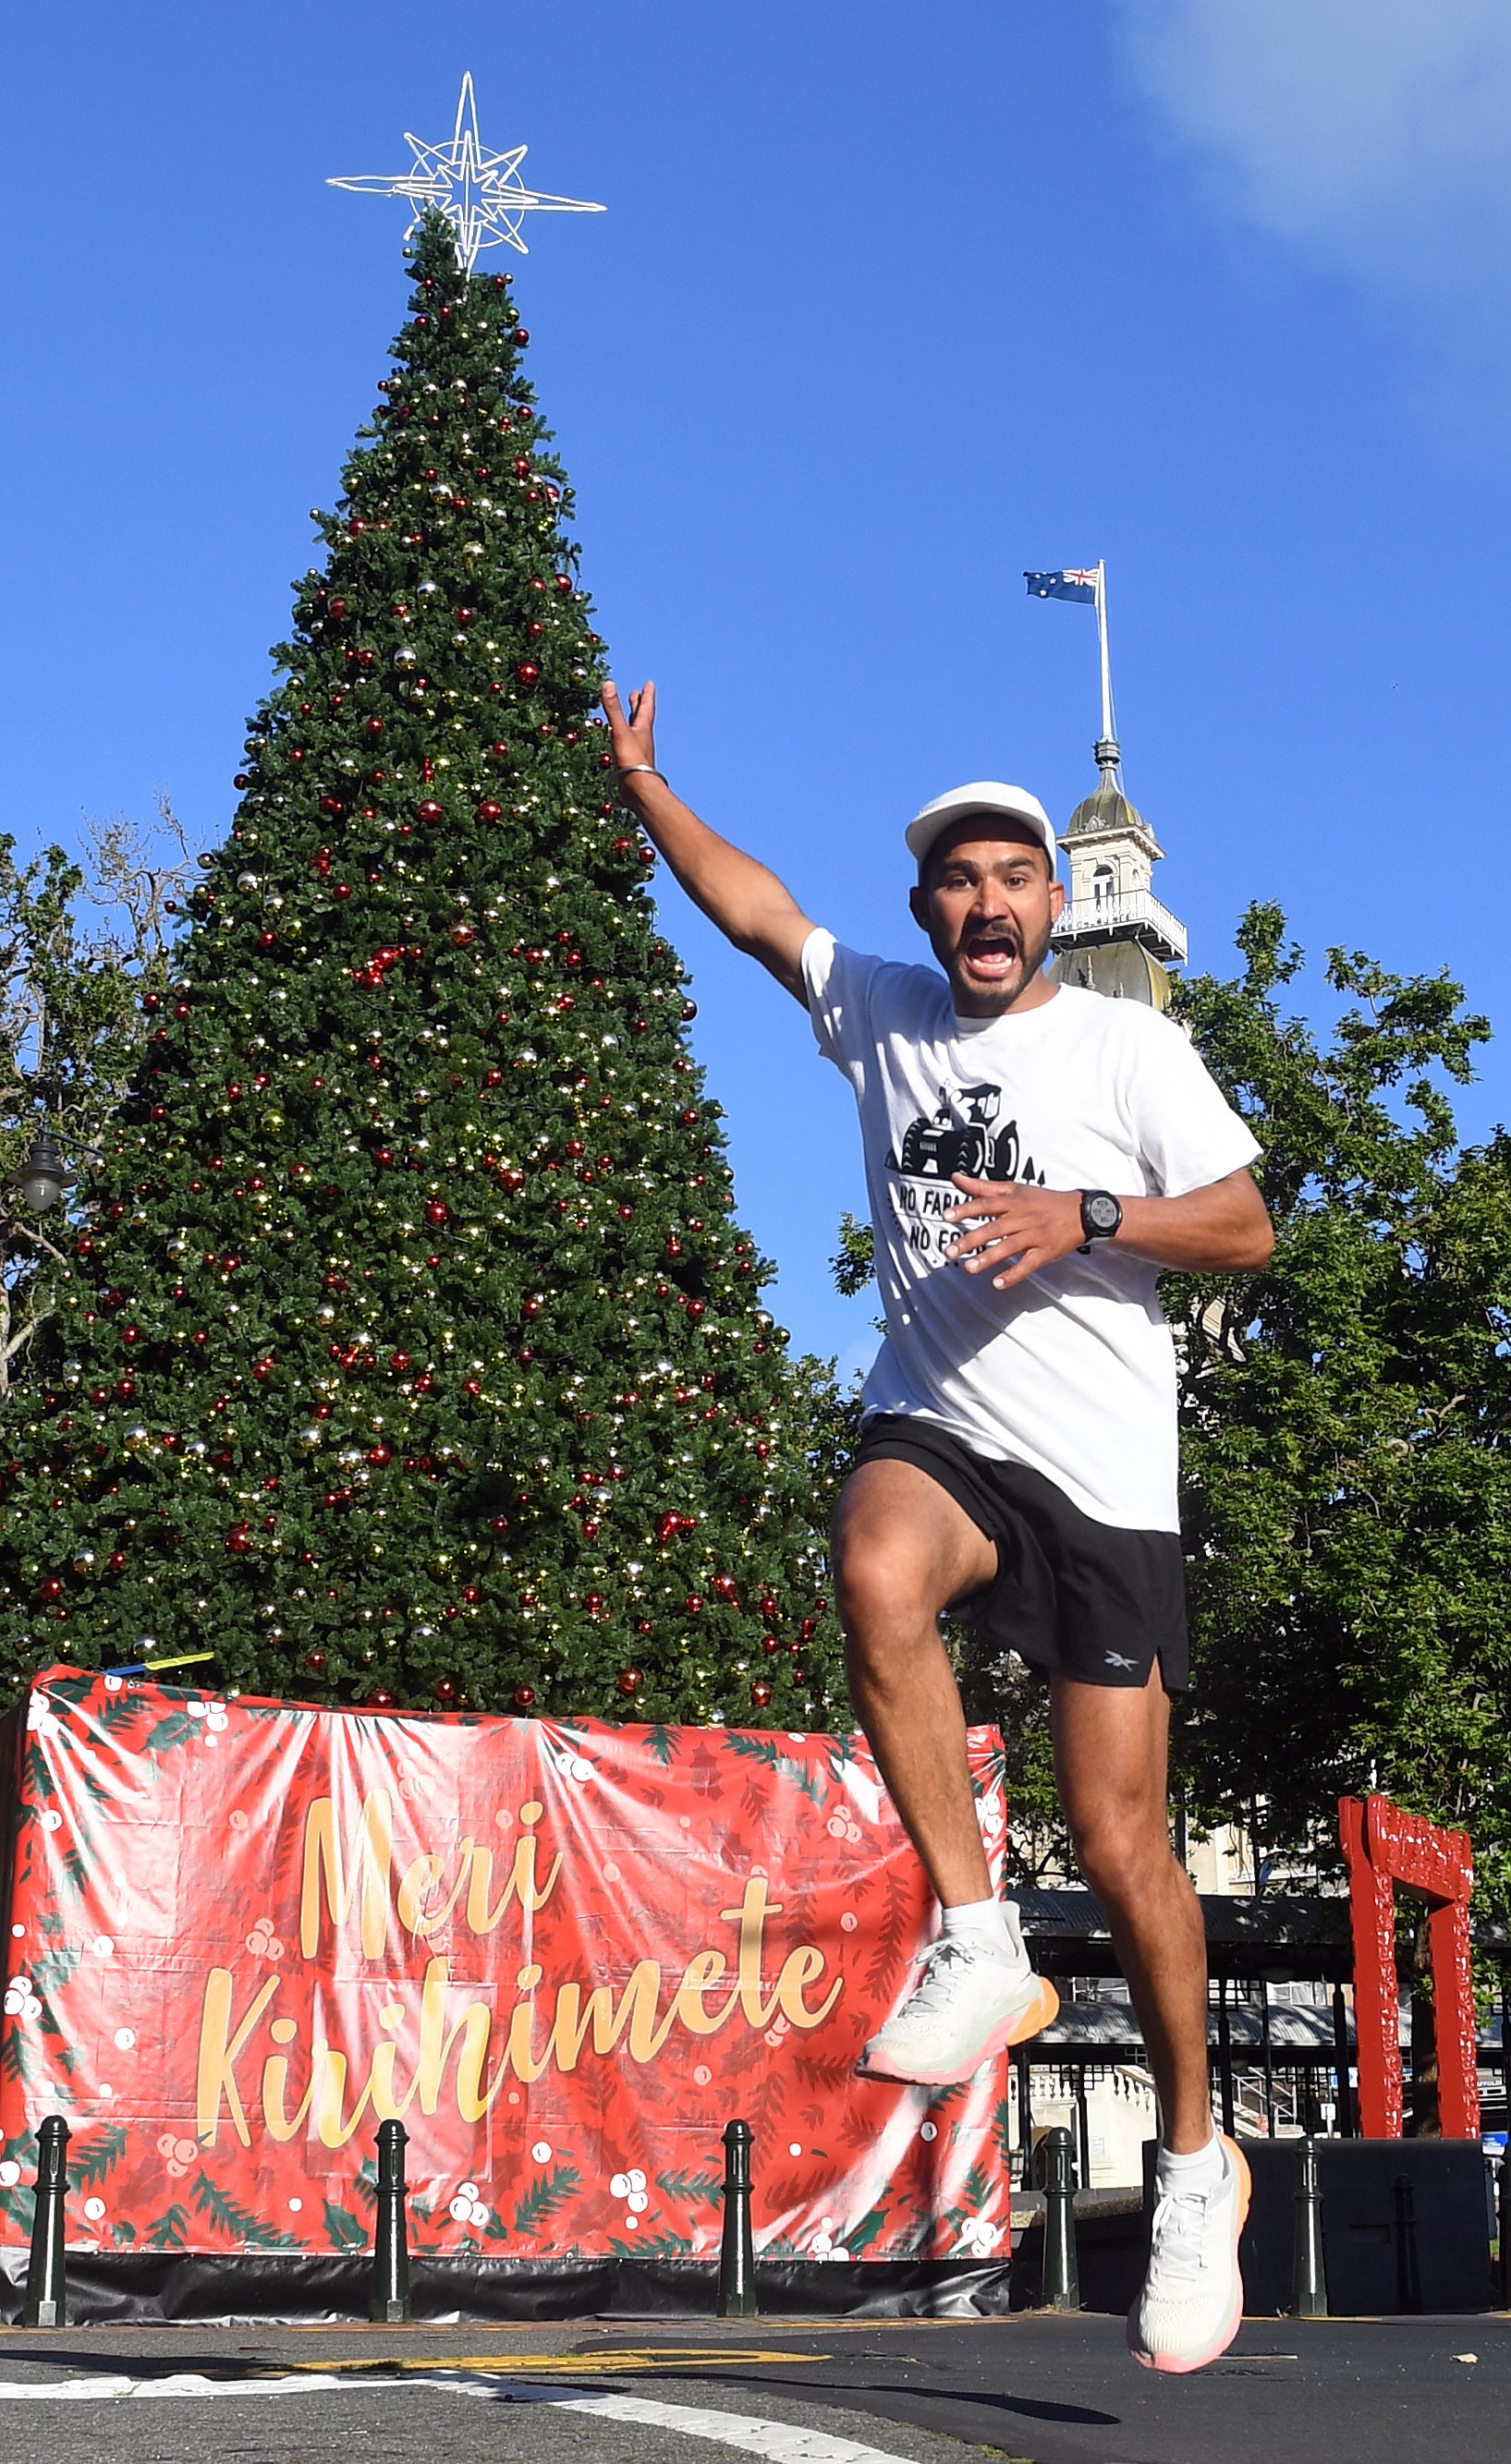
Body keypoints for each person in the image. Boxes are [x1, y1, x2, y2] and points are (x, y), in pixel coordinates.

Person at [600, 678, 1273, 2376]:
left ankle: (1200, 2159)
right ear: (929, 910)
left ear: (1054, 902)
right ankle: (975, 1938)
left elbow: (1250, 1225)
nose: (988, 905)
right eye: (959, 882)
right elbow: (759, 913)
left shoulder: (1128, 1044)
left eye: (1015, 878)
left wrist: (1087, 1215)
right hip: (948, 1427)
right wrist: (647, 789)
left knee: (1126, 1850)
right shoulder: (882, 1012)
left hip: (1109, 1477)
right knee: (874, 1558)